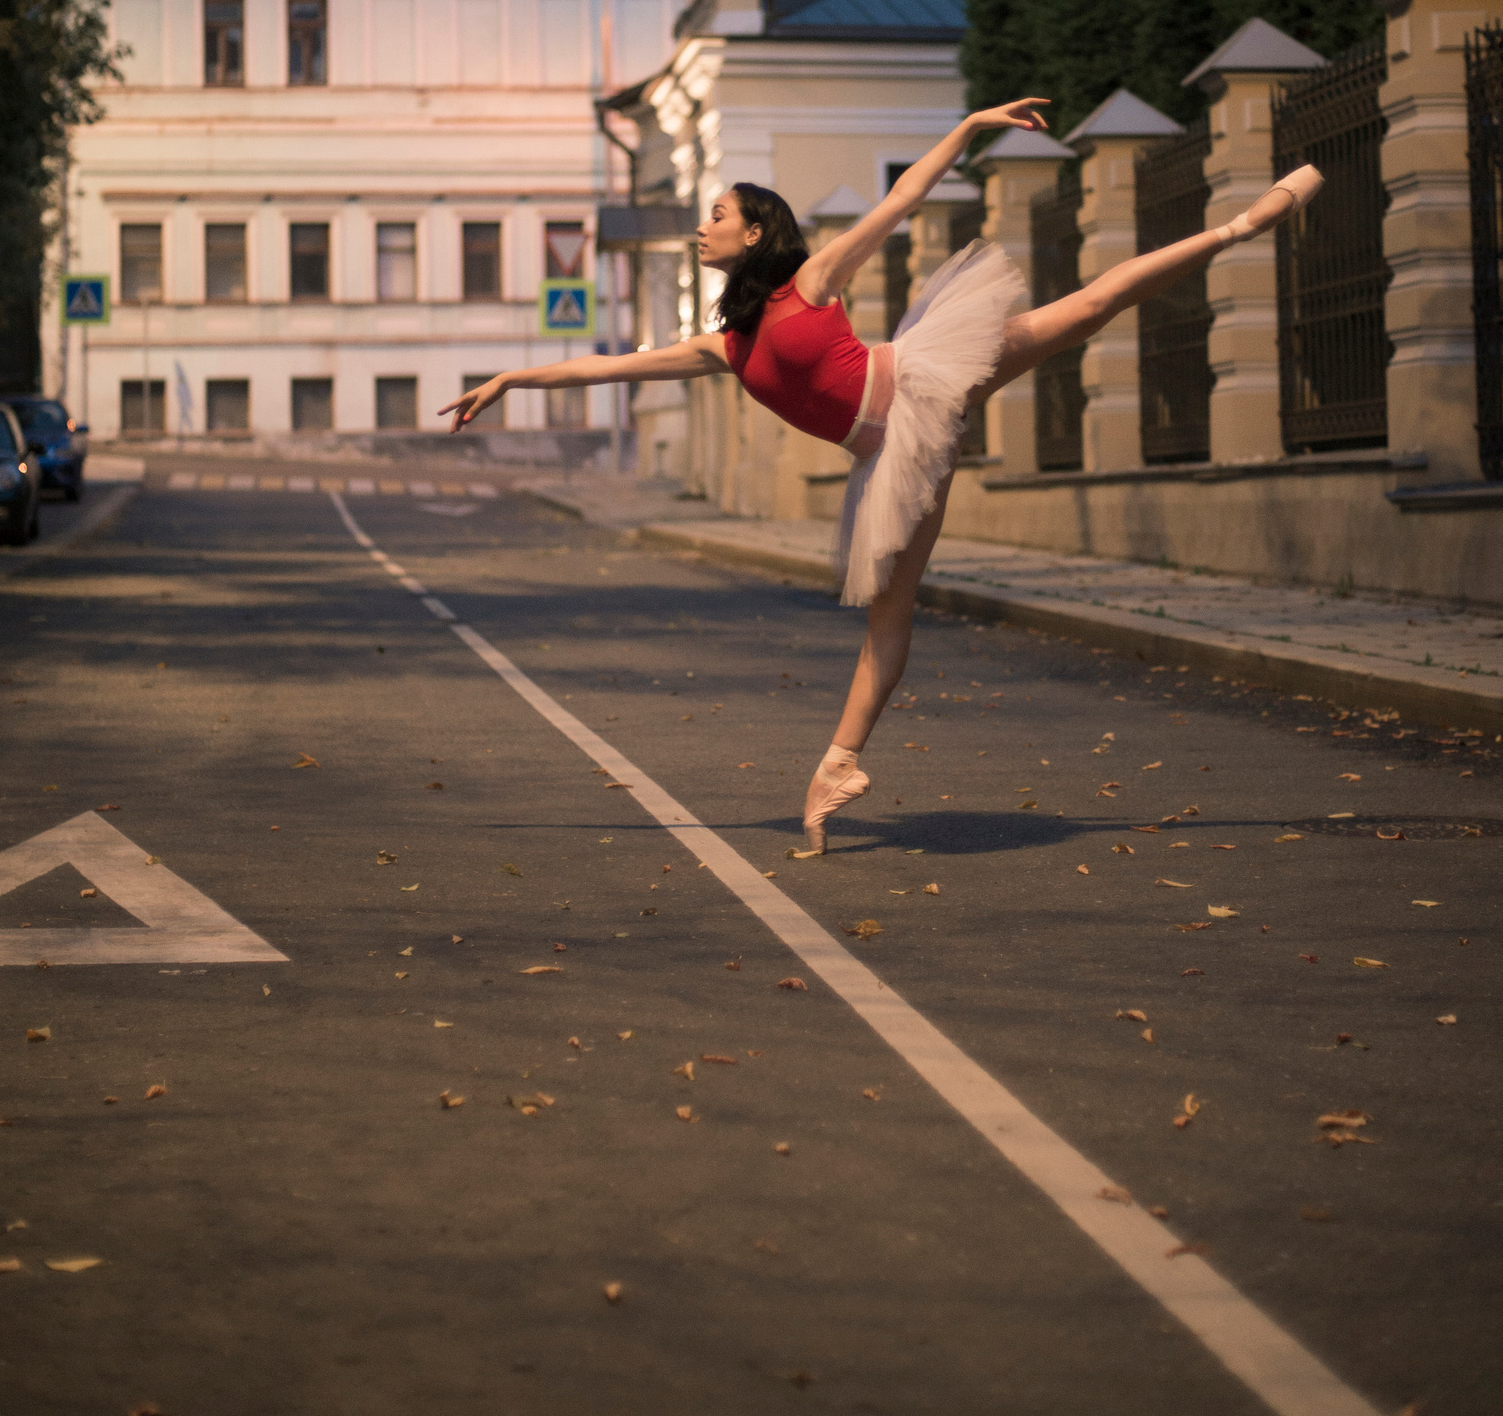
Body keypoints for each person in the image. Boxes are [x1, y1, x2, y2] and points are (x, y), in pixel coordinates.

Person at [442, 102, 1322, 854]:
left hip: (923, 378)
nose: (701, 224)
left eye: (716, 212)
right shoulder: (723, 345)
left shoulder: (811, 281)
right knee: (888, 618)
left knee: (1086, 307)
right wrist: (514, 379)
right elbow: (605, 370)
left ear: (754, 232)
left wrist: (970, 126)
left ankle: (1239, 227)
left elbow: (903, 199)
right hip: (887, 457)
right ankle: (838, 765)